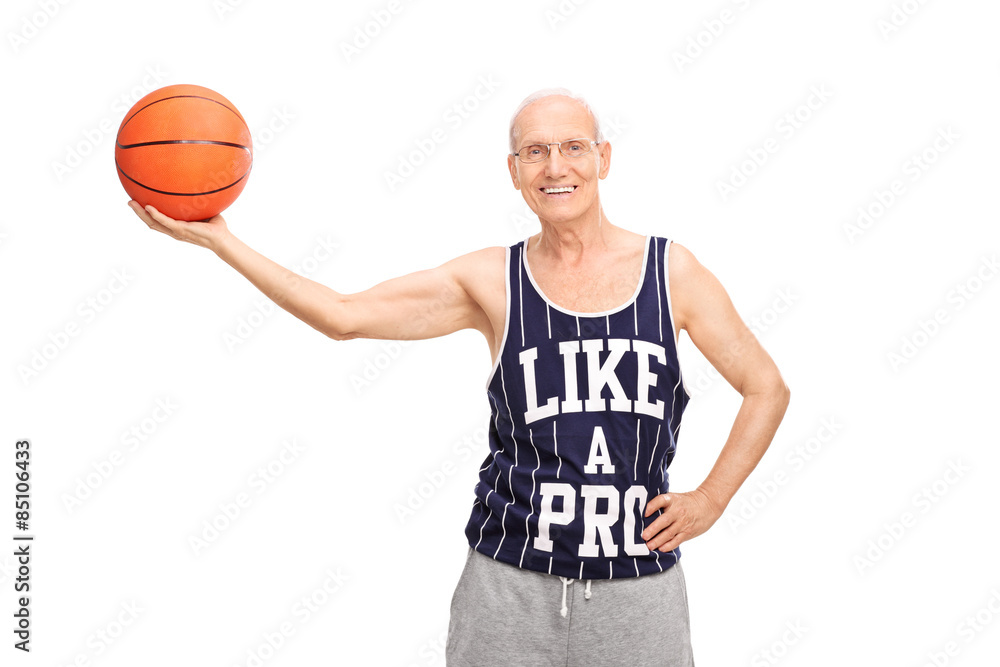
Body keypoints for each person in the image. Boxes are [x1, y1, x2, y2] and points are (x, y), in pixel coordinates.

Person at [130, 87, 790, 667]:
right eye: (534, 152)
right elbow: (344, 314)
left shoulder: (671, 273)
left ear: (603, 159)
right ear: (514, 172)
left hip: (638, 591)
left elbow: (766, 386)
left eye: (572, 148)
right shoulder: (490, 280)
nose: (555, 166)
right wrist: (224, 242)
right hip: (507, 587)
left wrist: (712, 497)